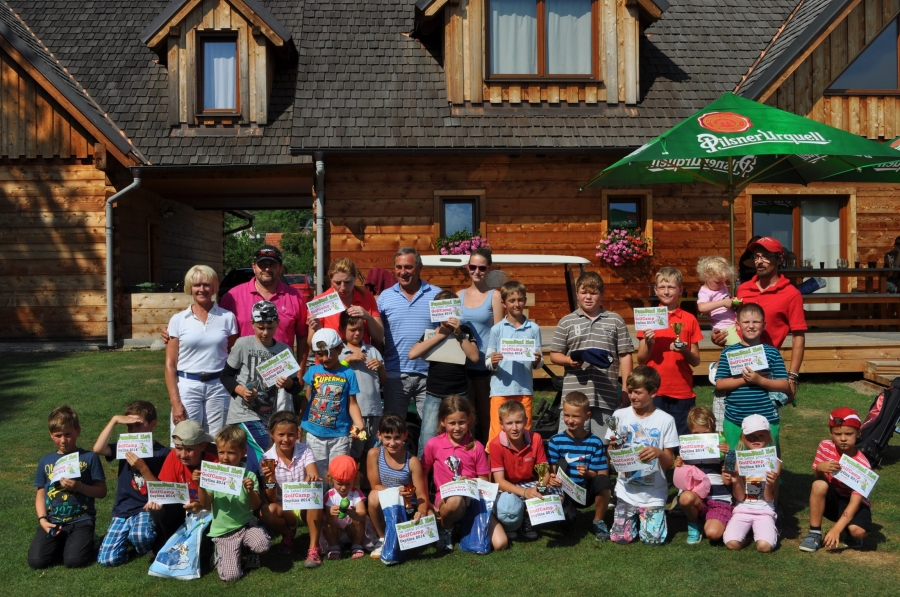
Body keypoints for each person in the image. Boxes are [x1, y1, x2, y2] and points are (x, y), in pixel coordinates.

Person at [713, 236, 806, 397]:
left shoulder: (791, 294)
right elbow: (738, 324)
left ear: (779, 259)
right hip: (736, 364)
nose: (759, 261)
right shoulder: (743, 289)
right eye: (756, 256)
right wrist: (720, 338)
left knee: (763, 413)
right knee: (728, 410)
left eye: (766, 256)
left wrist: (792, 376)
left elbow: (798, 336)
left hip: (766, 369)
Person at [221, 300, 302, 476]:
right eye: (260, 327)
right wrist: (241, 391)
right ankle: (272, 484)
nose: (265, 332)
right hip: (243, 413)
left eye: (270, 328)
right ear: (252, 323)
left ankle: (255, 486)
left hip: (268, 415)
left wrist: (287, 383)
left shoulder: (284, 350)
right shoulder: (243, 344)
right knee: (266, 449)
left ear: (277, 323)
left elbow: (296, 387)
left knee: (253, 458)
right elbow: (226, 375)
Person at [550, 271, 634, 438]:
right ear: (577, 294)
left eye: (593, 293)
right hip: (573, 399)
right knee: (569, 442)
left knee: (606, 443)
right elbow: (554, 354)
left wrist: (625, 389)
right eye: (584, 292)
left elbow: (625, 356)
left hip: (606, 396)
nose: (588, 297)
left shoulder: (615, 320)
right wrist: (568, 360)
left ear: (602, 294)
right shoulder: (566, 321)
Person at [422, 396, 506, 553]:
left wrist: (470, 482)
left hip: (473, 500)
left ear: (469, 420)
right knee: (455, 501)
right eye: (452, 423)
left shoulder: (477, 446)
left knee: (501, 543)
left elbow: (484, 480)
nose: (457, 427)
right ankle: (446, 529)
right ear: (442, 421)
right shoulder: (433, 444)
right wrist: (426, 502)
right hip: (447, 500)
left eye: (461, 422)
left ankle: (462, 526)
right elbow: (422, 474)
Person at [605, 366, 677, 546]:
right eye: (630, 391)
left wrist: (659, 453)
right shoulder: (619, 415)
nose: (632, 396)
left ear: (653, 393)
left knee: (653, 540)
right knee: (620, 538)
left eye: (638, 392)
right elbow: (610, 454)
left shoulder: (666, 420)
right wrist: (614, 448)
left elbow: (669, 463)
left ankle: (647, 519)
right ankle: (632, 518)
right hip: (626, 490)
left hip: (653, 494)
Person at [28, 406, 108, 569]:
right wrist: (43, 520)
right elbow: (41, 493)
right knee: (36, 561)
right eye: (58, 436)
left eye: (68, 434)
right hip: (53, 521)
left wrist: (80, 487)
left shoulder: (89, 457)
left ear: (77, 431)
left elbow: (102, 491)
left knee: (74, 561)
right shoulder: (46, 461)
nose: (63, 440)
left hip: (81, 519)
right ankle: (66, 544)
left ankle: (89, 541)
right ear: (51, 435)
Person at [93, 401, 170, 566]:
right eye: (129, 426)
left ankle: (148, 539)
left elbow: (162, 490)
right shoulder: (124, 447)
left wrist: (143, 468)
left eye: (138, 425)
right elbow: (98, 449)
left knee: (141, 537)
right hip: (123, 509)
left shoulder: (163, 453)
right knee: (107, 560)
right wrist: (114, 420)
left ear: (152, 425)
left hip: (145, 507)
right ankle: (127, 538)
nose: (133, 430)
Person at [164, 265, 238, 436]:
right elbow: (170, 364)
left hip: (219, 386)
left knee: (218, 439)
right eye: (197, 285)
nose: (202, 289)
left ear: (214, 287)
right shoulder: (178, 320)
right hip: (187, 386)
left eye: (206, 285)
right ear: (190, 288)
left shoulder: (227, 317)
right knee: (185, 438)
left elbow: (232, 356)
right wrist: (175, 402)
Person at [408, 290, 480, 457]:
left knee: (462, 436)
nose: (447, 315)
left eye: (450, 309)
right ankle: (425, 471)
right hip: (435, 393)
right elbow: (412, 354)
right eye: (442, 310)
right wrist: (440, 336)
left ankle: (465, 467)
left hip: (459, 393)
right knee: (428, 436)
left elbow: (474, 357)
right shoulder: (432, 332)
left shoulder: (465, 330)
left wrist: (459, 334)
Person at [218, 244, 309, 375]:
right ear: (254, 267)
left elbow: (302, 336)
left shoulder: (295, 297)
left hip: (282, 374)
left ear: (281, 268)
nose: (267, 269)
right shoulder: (232, 297)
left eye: (272, 265)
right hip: (243, 375)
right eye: (262, 265)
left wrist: (300, 373)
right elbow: (221, 337)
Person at [197, 425, 270, 581]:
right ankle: (219, 552)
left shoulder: (249, 475)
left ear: (242, 452)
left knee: (262, 544)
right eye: (221, 452)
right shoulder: (214, 473)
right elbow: (205, 505)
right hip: (224, 530)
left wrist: (250, 490)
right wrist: (200, 485)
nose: (225, 457)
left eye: (231, 453)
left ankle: (248, 550)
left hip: (246, 524)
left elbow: (255, 506)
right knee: (231, 576)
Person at [636, 267, 702, 437]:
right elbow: (641, 360)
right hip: (653, 389)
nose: (666, 291)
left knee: (682, 438)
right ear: (656, 290)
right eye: (662, 287)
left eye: (671, 287)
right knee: (654, 437)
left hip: (681, 389)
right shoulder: (648, 317)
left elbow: (695, 361)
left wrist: (684, 350)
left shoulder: (689, 319)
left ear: (680, 290)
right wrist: (649, 344)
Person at [377, 247, 441, 422]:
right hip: (395, 374)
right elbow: (378, 335)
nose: (403, 272)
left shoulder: (436, 294)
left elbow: (446, 331)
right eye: (398, 267)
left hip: (429, 373)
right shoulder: (385, 297)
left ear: (419, 268)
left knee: (431, 430)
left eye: (408, 267)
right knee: (393, 428)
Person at [715, 303, 790, 449]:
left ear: (764, 325)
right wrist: (745, 380)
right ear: (738, 325)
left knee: (766, 459)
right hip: (735, 418)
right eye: (746, 322)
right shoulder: (728, 353)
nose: (751, 326)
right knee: (734, 458)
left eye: (756, 322)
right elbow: (720, 384)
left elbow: (784, 384)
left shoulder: (772, 353)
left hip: (766, 418)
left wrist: (759, 380)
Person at [799, 407, 872, 552]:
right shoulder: (825, 446)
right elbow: (819, 481)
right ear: (831, 433)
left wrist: (836, 529)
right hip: (833, 498)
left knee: (858, 531)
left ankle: (850, 532)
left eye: (849, 434)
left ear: (858, 433)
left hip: (853, 502)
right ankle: (814, 533)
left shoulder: (863, 466)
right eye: (838, 434)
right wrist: (820, 468)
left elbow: (855, 502)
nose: (843, 438)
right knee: (818, 485)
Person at [259, 411, 324, 567]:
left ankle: (314, 548)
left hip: (305, 505)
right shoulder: (266, 458)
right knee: (266, 511)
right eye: (281, 434)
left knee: (315, 495)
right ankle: (288, 534)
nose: (286, 439)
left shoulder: (305, 450)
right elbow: (271, 499)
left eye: (290, 434)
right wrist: (270, 478)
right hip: (284, 508)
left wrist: (311, 478)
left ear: (297, 434)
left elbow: (313, 474)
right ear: (272, 434)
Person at [485, 280, 543, 448]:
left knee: (524, 434)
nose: (516, 304)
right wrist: (493, 362)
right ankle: (494, 465)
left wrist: (537, 361)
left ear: (525, 300)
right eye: (512, 300)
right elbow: (488, 361)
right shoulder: (497, 329)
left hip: (524, 389)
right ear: (504, 303)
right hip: (500, 390)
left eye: (520, 299)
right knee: (497, 436)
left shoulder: (533, 328)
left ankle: (523, 464)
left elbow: (539, 361)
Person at [547, 391, 611, 541]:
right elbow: (551, 469)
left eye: (575, 416)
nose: (570, 420)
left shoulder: (595, 441)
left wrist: (588, 474)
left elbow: (602, 474)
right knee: (566, 527)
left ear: (587, 416)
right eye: (567, 415)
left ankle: (598, 521)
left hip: (587, 490)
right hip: (565, 491)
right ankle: (566, 514)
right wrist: (552, 478)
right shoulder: (555, 440)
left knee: (603, 481)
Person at [302, 328, 366, 475]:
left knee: (338, 472)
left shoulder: (348, 374)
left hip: (340, 435)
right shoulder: (313, 371)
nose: (325, 358)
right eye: (320, 354)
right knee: (316, 474)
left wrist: (359, 423)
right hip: (314, 434)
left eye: (329, 353)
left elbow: (352, 403)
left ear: (340, 349)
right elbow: (307, 399)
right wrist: (300, 422)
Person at [145, 420, 217, 552]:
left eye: (189, 449)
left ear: (202, 446)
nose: (183, 455)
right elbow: (165, 489)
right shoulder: (173, 456)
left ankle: (205, 547)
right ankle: (170, 545)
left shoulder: (213, 463)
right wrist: (157, 501)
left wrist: (199, 505)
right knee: (159, 510)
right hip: (183, 510)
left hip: (208, 512)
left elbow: (219, 502)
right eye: (179, 448)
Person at [366, 415, 431, 559]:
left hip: (407, 506)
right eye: (387, 437)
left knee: (429, 514)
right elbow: (375, 485)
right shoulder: (374, 454)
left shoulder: (412, 461)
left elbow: (421, 494)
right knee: (373, 496)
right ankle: (382, 538)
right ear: (379, 435)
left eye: (397, 438)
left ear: (405, 436)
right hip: (386, 503)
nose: (392, 443)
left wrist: (421, 511)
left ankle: (406, 536)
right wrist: (396, 492)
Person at [458, 248, 504, 442]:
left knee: (487, 418)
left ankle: (489, 457)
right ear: (467, 267)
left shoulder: (494, 296)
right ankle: (469, 455)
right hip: (463, 365)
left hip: (486, 367)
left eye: (482, 268)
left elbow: (499, 332)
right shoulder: (458, 295)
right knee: (466, 419)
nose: (477, 271)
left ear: (489, 269)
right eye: (473, 267)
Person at [490, 400, 553, 541]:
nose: (514, 428)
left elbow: (543, 471)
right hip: (507, 487)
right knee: (507, 503)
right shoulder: (495, 444)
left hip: (529, 483)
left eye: (518, 422)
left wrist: (541, 486)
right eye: (509, 423)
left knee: (557, 490)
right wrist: (525, 493)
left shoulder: (535, 438)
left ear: (526, 421)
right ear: (501, 425)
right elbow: (499, 481)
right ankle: (511, 524)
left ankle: (526, 517)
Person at [674, 406, 733, 545]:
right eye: (696, 433)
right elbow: (681, 479)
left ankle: (724, 520)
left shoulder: (721, 446)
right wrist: (679, 465)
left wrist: (729, 455)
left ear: (712, 429)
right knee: (685, 498)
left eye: (705, 433)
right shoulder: (687, 449)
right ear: (690, 431)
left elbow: (730, 478)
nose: (701, 437)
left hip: (718, 499)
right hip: (697, 499)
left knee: (713, 534)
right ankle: (694, 523)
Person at [723, 415, 780, 553]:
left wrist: (770, 483)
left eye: (761, 435)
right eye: (751, 436)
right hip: (742, 509)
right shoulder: (736, 459)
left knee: (764, 547)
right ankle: (749, 535)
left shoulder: (775, 462)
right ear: (743, 438)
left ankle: (766, 532)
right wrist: (736, 479)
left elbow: (769, 498)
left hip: (765, 510)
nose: (756, 439)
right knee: (731, 544)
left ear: (768, 437)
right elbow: (740, 497)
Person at [340, 311, 386, 463]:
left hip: (374, 412)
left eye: (360, 329)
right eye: (352, 330)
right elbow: (334, 377)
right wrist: (348, 360)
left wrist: (380, 367)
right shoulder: (339, 352)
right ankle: (353, 477)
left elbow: (383, 380)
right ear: (342, 329)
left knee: (372, 451)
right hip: (354, 415)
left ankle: (368, 478)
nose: (357, 333)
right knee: (354, 452)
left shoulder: (372, 351)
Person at [307, 257, 384, 347]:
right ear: (330, 279)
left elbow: (379, 338)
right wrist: (318, 330)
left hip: (361, 354)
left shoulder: (366, 297)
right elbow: (311, 344)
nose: (343, 287)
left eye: (347, 282)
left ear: (355, 278)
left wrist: (368, 317)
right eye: (338, 283)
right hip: (332, 355)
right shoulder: (320, 302)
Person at [321, 455, 377, 560]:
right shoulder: (330, 495)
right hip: (336, 531)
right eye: (339, 484)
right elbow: (329, 521)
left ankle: (356, 544)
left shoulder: (356, 493)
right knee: (327, 524)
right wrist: (331, 513)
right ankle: (334, 545)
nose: (343, 487)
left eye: (348, 484)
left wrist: (355, 514)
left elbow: (362, 515)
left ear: (354, 480)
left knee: (359, 521)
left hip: (352, 531)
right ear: (331, 479)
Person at [697, 256, 741, 346]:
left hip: (734, 322)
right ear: (706, 276)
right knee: (737, 346)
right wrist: (723, 303)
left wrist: (733, 303)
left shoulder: (721, 286)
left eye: (725, 282)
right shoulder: (705, 292)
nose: (722, 285)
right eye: (718, 282)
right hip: (723, 327)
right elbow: (701, 307)